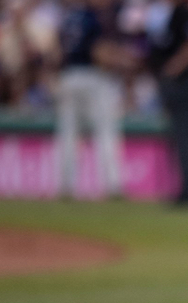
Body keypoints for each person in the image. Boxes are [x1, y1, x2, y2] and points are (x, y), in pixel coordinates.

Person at [55, 0, 136, 200]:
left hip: (68, 76)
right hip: (93, 78)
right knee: (106, 133)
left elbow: (58, 50)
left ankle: (66, 186)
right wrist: (125, 62)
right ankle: (113, 186)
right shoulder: (94, 18)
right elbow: (99, 53)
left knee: (69, 135)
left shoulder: (70, 17)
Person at [145, 0, 188, 207]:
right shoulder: (168, 15)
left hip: (185, 84)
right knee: (179, 141)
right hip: (175, 85)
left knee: (186, 140)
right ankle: (185, 191)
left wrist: (173, 68)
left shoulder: (183, 14)